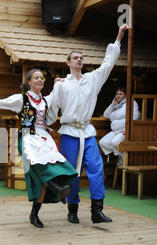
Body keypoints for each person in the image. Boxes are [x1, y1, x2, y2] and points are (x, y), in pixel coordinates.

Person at [0, 69, 78, 228]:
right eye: (36, 78)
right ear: (29, 82)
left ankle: (37, 210)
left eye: (42, 78)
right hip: (27, 137)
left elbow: (56, 93)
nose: (40, 80)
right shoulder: (21, 99)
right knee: (39, 167)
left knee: (54, 166)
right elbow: (0, 102)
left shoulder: (45, 100)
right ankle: (55, 188)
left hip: (43, 138)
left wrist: (61, 82)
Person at [51, 24, 129, 224]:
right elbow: (50, 107)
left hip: (87, 131)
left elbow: (108, 62)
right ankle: (72, 209)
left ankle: (97, 211)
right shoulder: (61, 85)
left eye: (81, 57)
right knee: (72, 173)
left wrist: (118, 37)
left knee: (96, 167)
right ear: (68, 62)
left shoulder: (92, 79)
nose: (79, 59)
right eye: (75, 57)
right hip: (69, 132)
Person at [99, 87, 140, 166]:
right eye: (117, 94)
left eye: (120, 94)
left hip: (126, 130)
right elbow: (106, 115)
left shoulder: (131, 103)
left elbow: (136, 117)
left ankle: (123, 160)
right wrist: (112, 105)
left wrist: (127, 129)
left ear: (126, 95)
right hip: (115, 131)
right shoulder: (116, 105)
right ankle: (120, 155)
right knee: (103, 142)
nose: (118, 96)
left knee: (115, 142)